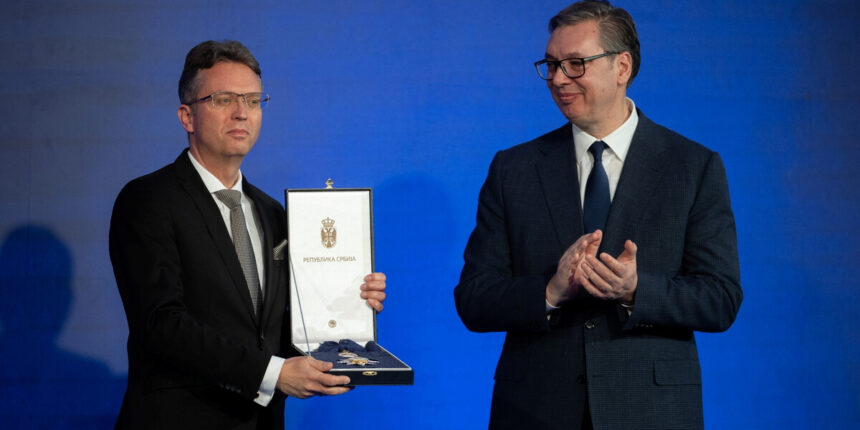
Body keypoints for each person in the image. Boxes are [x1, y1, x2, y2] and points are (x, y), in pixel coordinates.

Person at [454, 1, 743, 429]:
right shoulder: (513, 169)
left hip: (651, 413)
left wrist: (635, 290)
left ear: (621, 67)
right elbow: (474, 299)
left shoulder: (692, 167)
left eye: (575, 64)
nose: (558, 79)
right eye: (551, 65)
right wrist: (550, 290)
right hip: (535, 411)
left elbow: (720, 299)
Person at [109, 40, 387, 430]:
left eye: (253, 101)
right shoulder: (148, 200)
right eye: (223, 99)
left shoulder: (272, 213)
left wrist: (347, 311)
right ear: (187, 116)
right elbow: (162, 325)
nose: (242, 112)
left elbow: (276, 333)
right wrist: (272, 374)